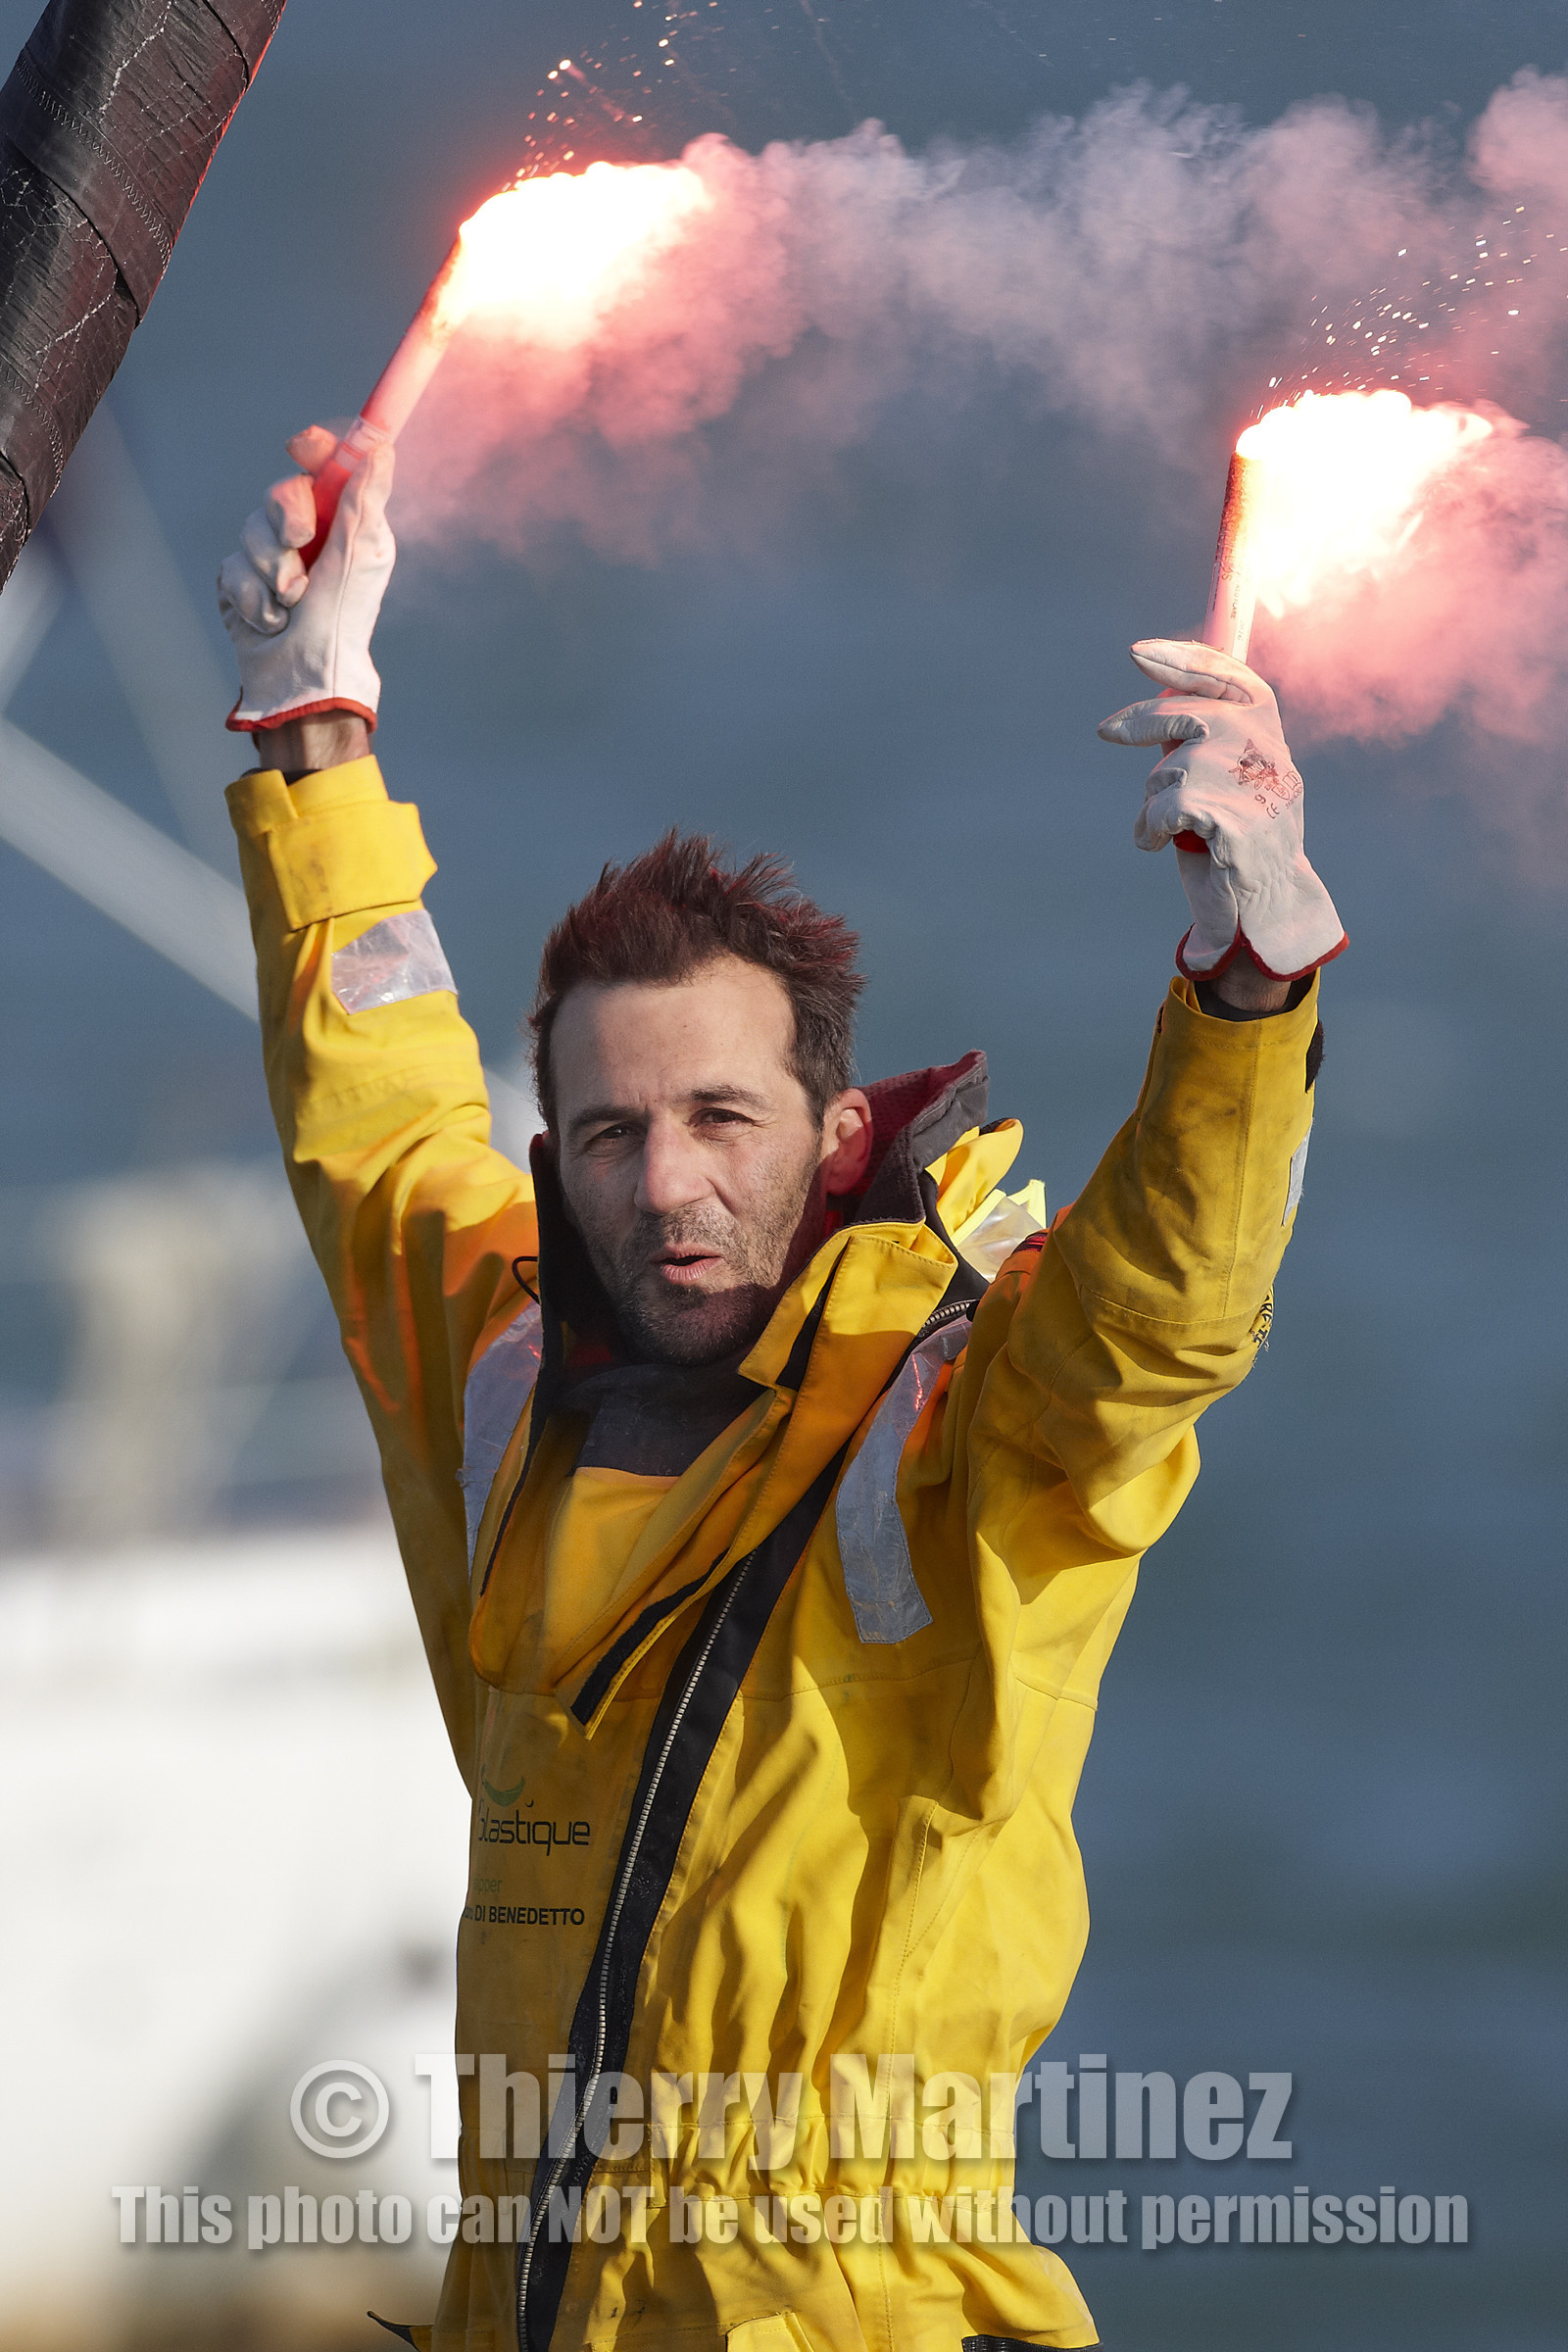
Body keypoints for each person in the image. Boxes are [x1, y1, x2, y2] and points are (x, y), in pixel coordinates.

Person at [217, 429, 1343, 2352]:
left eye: (722, 1119)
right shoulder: (502, 1367)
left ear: (832, 1135)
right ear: (559, 1152)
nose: (664, 1185)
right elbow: (379, 1121)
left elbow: (1156, 1327)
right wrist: (309, 731)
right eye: (610, 1132)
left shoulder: (963, 1412)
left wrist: (1244, 998)